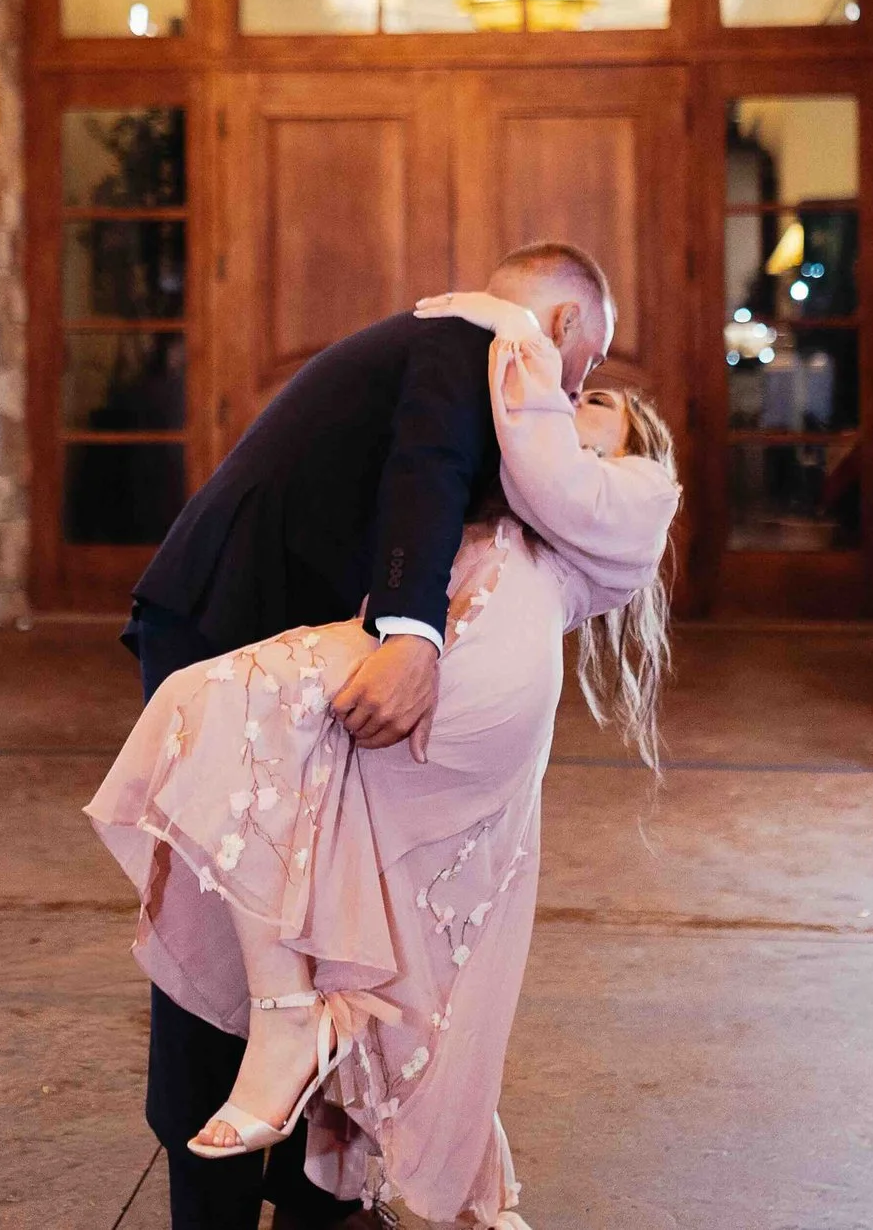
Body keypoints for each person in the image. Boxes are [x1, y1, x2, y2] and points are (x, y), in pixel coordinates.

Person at [89, 291, 679, 1229]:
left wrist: (411, 635)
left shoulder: (570, 467)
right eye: (590, 369)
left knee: (341, 911)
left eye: (595, 396)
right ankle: (239, 1190)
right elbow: (426, 471)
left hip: (385, 673)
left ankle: (314, 1176)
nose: (576, 391)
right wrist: (410, 631)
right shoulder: (467, 349)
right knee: (254, 899)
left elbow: (445, 482)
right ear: (562, 322)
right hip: (241, 609)